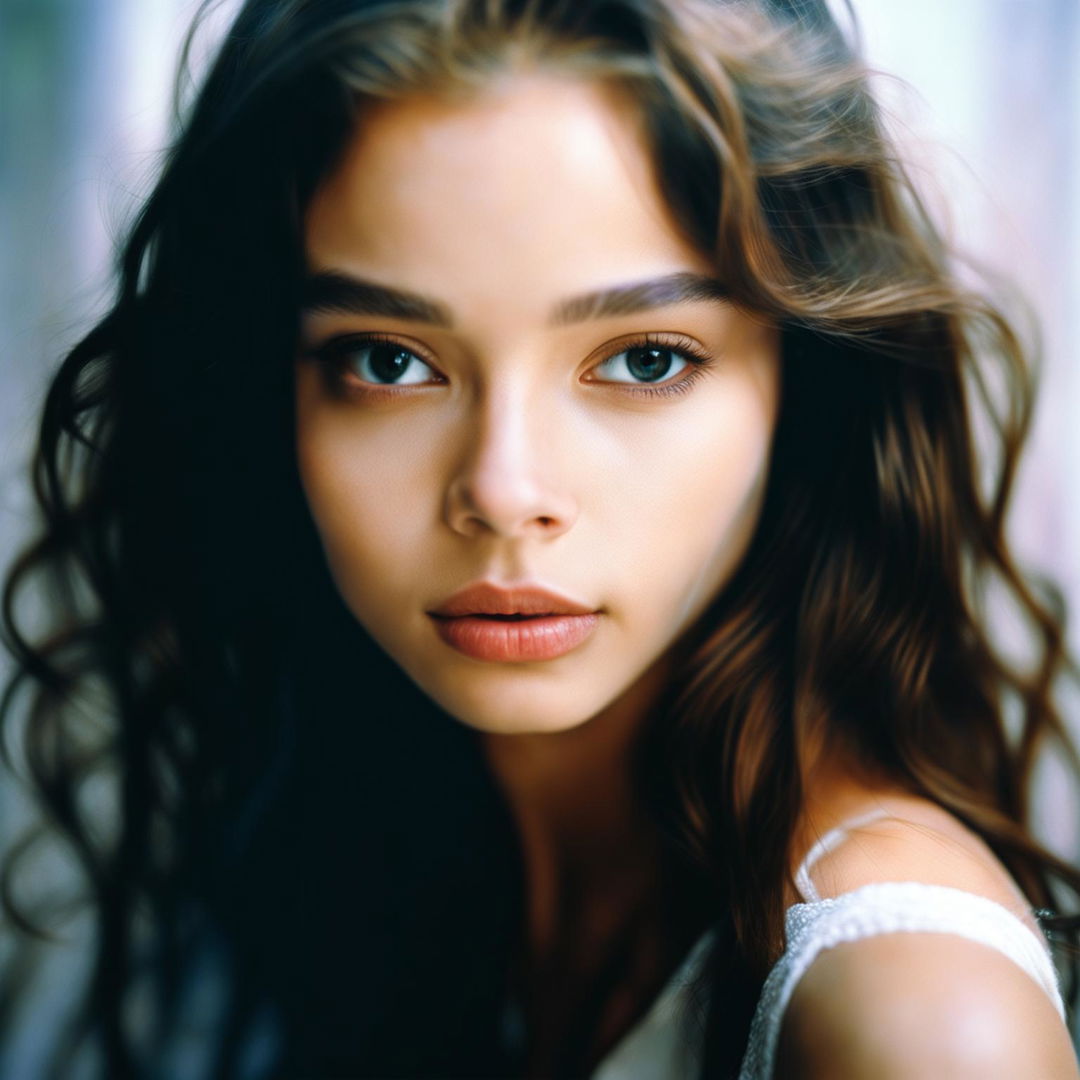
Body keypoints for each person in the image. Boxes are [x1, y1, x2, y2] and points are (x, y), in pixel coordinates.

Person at [2, 0, 1079, 1076]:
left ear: (806, 387)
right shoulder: (322, 815)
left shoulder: (916, 1015)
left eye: (645, 359)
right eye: (387, 359)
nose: (504, 492)